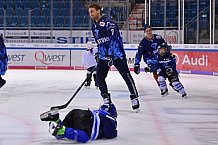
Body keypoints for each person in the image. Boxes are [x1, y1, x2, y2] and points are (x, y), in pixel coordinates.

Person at [88, 3, 140, 111]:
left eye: (92, 11)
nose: (90, 14)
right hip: (104, 57)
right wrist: (99, 54)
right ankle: (106, 99)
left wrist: (110, 55)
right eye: (89, 12)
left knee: (126, 76)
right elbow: (99, 43)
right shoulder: (94, 26)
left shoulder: (109, 23)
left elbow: (114, 40)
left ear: (98, 11)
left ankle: (134, 97)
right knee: (99, 78)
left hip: (117, 55)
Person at [40, 103, 117, 143]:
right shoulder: (110, 118)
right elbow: (110, 134)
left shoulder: (100, 112)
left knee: (62, 131)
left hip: (78, 113)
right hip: (84, 118)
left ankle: (56, 120)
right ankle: (62, 129)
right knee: (84, 137)